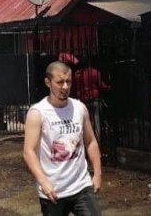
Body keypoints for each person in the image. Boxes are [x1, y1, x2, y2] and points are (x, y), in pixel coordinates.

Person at [23, 61, 102, 216]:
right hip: (53, 191)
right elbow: (28, 151)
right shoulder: (38, 113)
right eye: (60, 82)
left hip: (81, 186)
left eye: (68, 81)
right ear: (48, 82)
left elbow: (91, 141)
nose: (65, 87)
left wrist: (97, 173)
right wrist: (43, 182)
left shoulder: (79, 108)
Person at [74, 60, 110, 143]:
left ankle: (85, 144)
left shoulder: (77, 75)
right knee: (96, 123)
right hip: (94, 100)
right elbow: (101, 86)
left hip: (82, 102)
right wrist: (108, 87)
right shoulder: (94, 72)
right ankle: (97, 143)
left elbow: (74, 88)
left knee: (84, 125)